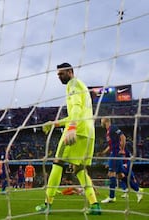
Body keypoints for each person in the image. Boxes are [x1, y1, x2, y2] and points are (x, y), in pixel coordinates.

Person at [35, 63, 101, 215]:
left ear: (70, 72)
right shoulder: (82, 86)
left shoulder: (73, 84)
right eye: (58, 75)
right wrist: (55, 123)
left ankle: (47, 204)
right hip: (88, 133)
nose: (59, 77)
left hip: (76, 131)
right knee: (80, 169)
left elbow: (76, 108)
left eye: (62, 73)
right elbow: (75, 114)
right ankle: (95, 205)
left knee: (57, 163)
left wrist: (71, 128)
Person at [99, 117, 127, 203]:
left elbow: (123, 137)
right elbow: (110, 145)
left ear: (106, 121)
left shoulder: (113, 128)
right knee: (120, 174)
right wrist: (103, 152)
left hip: (115, 154)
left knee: (111, 173)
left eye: (102, 120)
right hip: (114, 153)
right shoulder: (108, 132)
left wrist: (122, 149)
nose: (101, 121)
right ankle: (131, 189)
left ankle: (112, 197)